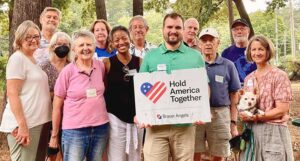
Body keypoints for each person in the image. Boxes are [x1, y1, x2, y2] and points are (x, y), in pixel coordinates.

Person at [137, 12, 206, 161]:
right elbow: (141, 89)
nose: (173, 31)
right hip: (156, 127)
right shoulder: (151, 56)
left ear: (183, 30)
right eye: (169, 27)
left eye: (177, 27)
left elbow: (203, 88)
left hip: (185, 127)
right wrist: (141, 114)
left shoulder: (196, 57)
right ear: (163, 29)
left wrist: (201, 110)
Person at [49, 30, 109, 161]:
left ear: (94, 46)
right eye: (81, 45)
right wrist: (54, 135)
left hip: (100, 128)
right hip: (75, 131)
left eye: (89, 44)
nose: (86, 48)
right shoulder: (67, 72)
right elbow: (57, 107)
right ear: (74, 49)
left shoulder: (100, 66)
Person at [0, 20, 51, 161]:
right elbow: (12, 93)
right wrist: (22, 125)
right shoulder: (17, 59)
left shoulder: (33, 60)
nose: (33, 40)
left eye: (36, 36)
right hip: (26, 124)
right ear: (20, 38)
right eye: (28, 37)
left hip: (39, 122)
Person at [239, 35, 294, 161]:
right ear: (249, 52)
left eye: (261, 49)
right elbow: (246, 105)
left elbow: (282, 109)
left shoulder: (279, 76)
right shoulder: (249, 79)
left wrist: (257, 117)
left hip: (273, 132)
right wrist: (243, 114)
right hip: (251, 132)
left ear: (268, 51)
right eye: (253, 50)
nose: (257, 53)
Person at [195, 28, 240, 161]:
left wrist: (233, 122)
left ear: (218, 42)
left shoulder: (228, 65)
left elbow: (234, 94)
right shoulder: (193, 64)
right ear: (199, 44)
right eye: (204, 40)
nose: (208, 43)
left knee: (219, 152)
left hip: (220, 113)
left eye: (211, 40)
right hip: (197, 114)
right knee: (194, 150)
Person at [103, 26, 143, 161]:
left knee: (135, 156)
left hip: (136, 117)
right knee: (116, 157)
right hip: (115, 117)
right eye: (116, 40)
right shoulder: (107, 63)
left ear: (130, 39)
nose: (121, 42)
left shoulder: (140, 61)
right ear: (112, 43)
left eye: (124, 38)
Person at [38, 31, 72, 161]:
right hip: (46, 112)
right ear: (52, 46)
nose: (62, 46)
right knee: (50, 150)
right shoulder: (44, 66)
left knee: (64, 150)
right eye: (59, 44)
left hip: (67, 113)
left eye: (66, 44)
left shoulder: (72, 65)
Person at [221, 18, 256, 84]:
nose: (239, 32)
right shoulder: (225, 53)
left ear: (248, 31)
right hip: (234, 92)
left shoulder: (257, 50)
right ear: (232, 32)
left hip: (255, 90)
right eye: (235, 29)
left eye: (242, 29)